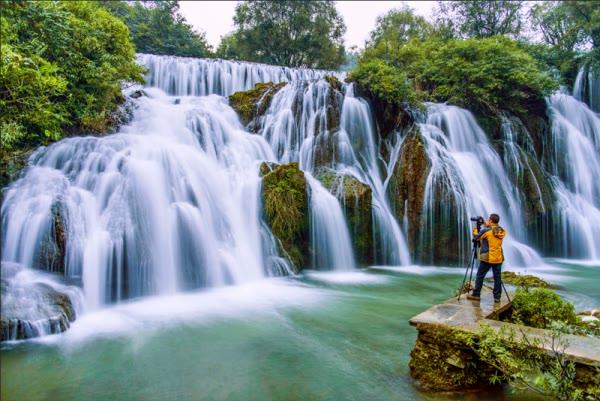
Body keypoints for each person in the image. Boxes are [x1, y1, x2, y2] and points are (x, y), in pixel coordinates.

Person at [467, 213, 506, 303]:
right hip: (498, 257)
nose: (488, 220)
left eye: (489, 219)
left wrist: (475, 229)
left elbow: (477, 237)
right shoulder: (501, 230)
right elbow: (493, 229)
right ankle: (497, 297)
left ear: (491, 220)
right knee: (497, 277)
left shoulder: (486, 231)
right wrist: (485, 223)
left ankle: (476, 294)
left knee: (480, 275)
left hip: (487, 257)